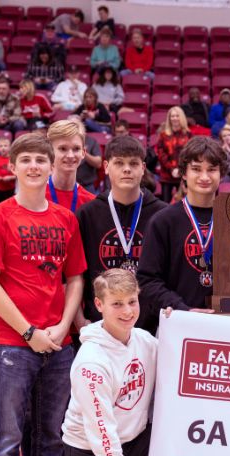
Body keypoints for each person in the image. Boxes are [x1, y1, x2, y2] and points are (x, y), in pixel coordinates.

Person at [42, 269, 218, 456]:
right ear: (99, 305)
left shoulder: (144, 341)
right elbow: (103, 436)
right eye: (117, 304)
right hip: (91, 454)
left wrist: (181, 325)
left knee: (189, 444)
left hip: (134, 441)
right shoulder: (91, 363)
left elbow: (181, 359)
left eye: (132, 302)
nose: (127, 312)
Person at [0, 132, 87, 456]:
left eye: (42, 159)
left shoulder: (66, 219)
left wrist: (61, 327)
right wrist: (28, 331)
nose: (35, 167)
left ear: (50, 164)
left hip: (58, 343)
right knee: (7, 435)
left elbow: (74, 277)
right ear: (13, 166)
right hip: (14, 343)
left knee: (53, 434)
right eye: (27, 160)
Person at [75, 135, 167, 325]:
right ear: (106, 167)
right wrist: (79, 320)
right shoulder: (87, 214)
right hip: (98, 324)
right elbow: (76, 275)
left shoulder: (163, 215)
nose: (127, 169)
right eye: (119, 163)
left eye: (133, 163)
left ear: (143, 168)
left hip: (150, 326)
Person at [138, 136, 225, 317]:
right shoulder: (163, 221)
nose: (204, 177)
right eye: (196, 169)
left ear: (221, 174)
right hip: (177, 321)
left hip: (225, 322)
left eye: (212, 170)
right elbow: (147, 280)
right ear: (184, 173)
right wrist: (182, 309)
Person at [45, 118, 95, 213]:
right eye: (63, 149)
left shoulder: (91, 202)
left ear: (83, 152)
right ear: (50, 152)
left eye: (76, 149)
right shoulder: (35, 198)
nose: (70, 156)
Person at [154, 106, 192, 202]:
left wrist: (180, 169)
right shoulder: (163, 135)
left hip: (183, 175)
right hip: (166, 175)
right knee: (165, 203)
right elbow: (161, 154)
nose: (174, 118)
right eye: (172, 116)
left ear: (181, 117)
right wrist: (171, 169)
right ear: (169, 118)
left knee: (184, 203)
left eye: (177, 116)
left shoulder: (188, 134)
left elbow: (190, 153)